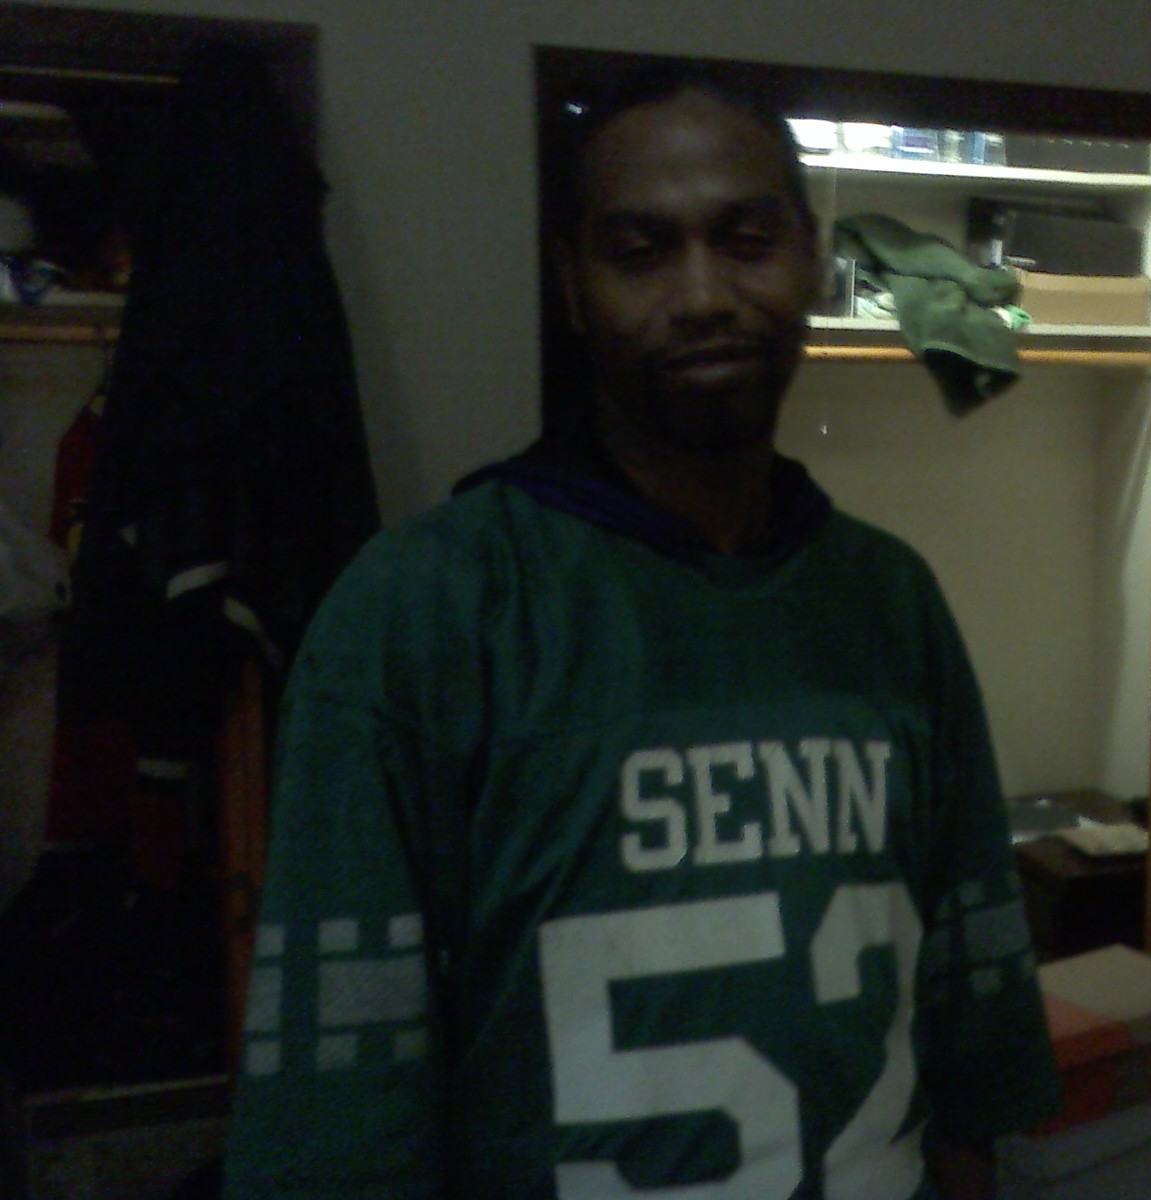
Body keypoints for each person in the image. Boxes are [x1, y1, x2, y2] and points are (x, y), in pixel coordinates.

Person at [221, 64, 1061, 1200]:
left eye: (747, 240)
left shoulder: (890, 603)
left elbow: (970, 1050)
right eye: (641, 251)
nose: (704, 294)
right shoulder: (424, 610)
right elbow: (335, 1128)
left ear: (811, 259)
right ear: (572, 286)